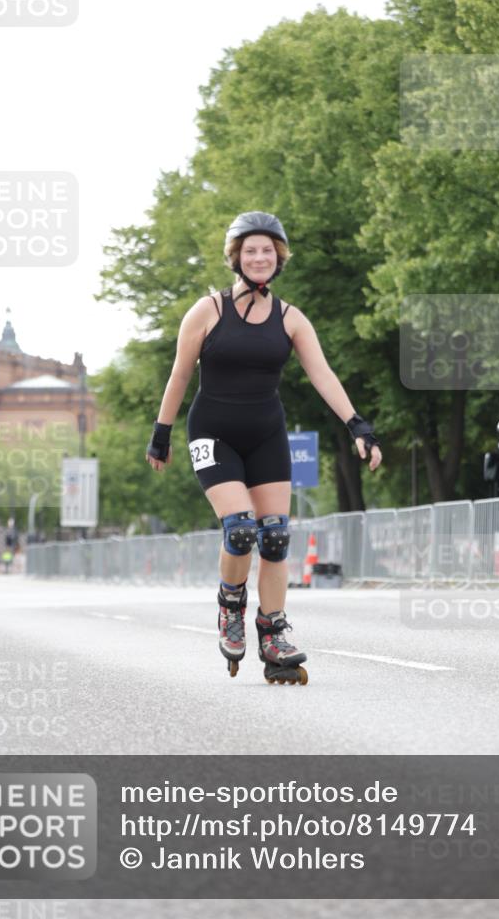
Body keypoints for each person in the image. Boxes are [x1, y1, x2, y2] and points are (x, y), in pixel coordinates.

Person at [146, 211, 382, 684]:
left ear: (279, 259)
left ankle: (272, 632)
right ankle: (230, 603)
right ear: (236, 257)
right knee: (240, 529)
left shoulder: (291, 318)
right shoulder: (207, 311)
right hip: (212, 433)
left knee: (274, 536)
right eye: (251, 250)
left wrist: (357, 425)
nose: (259, 257)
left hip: (266, 433)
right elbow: (180, 373)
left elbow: (322, 374)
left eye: (267, 251)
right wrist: (161, 430)